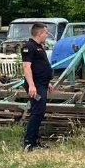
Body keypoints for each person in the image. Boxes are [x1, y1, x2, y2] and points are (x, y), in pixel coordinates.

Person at [21, 22, 54, 151]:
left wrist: (48, 82)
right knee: (37, 112)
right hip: (35, 85)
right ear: (40, 33)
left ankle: (35, 141)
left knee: (39, 112)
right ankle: (28, 142)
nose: (47, 35)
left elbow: (42, 66)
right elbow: (26, 67)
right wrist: (31, 86)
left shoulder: (39, 46)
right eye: (46, 32)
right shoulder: (29, 47)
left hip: (42, 84)